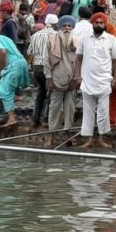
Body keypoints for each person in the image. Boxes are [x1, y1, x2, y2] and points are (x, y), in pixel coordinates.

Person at [75, 12, 116, 148]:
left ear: (105, 24)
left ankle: (101, 139)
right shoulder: (85, 39)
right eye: (97, 22)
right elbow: (78, 58)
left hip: (104, 81)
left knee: (103, 113)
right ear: (92, 23)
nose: (99, 25)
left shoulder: (111, 39)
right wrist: (78, 76)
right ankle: (88, 140)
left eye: (102, 23)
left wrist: (115, 80)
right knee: (88, 112)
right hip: (87, 81)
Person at [43, 15, 78, 147]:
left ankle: (68, 136)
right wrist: (49, 78)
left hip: (72, 81)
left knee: (70, 109)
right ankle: (51, 136)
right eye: (64, 26)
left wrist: (76, 79)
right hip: (56, 80)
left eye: (69, 26)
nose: (67, 28)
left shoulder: (77, 41)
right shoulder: (52, 40)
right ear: (60, 27)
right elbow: (46, 60)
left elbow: (80, 62)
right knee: (54, 108)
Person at [27, 14, 58, 127]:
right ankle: (46, 119)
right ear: (56, 24)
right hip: (49, 66)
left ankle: (35, 118)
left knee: (40, 91)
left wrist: (31, 69)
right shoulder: (55, 35)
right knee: (51, 92)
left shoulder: (35, 35)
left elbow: (30, 53)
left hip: (36, 66)